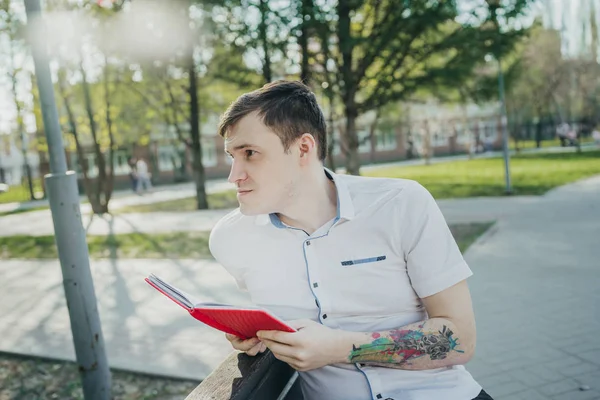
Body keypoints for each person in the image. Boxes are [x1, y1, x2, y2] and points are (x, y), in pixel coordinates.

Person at [209, 80, 492, 400]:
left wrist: (340, 348)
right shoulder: (231, 239)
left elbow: (460, 338)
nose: (234, 175)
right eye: (232, 155)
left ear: (303, 149)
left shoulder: (401, 203)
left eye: (250, 153)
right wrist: (258, 336)